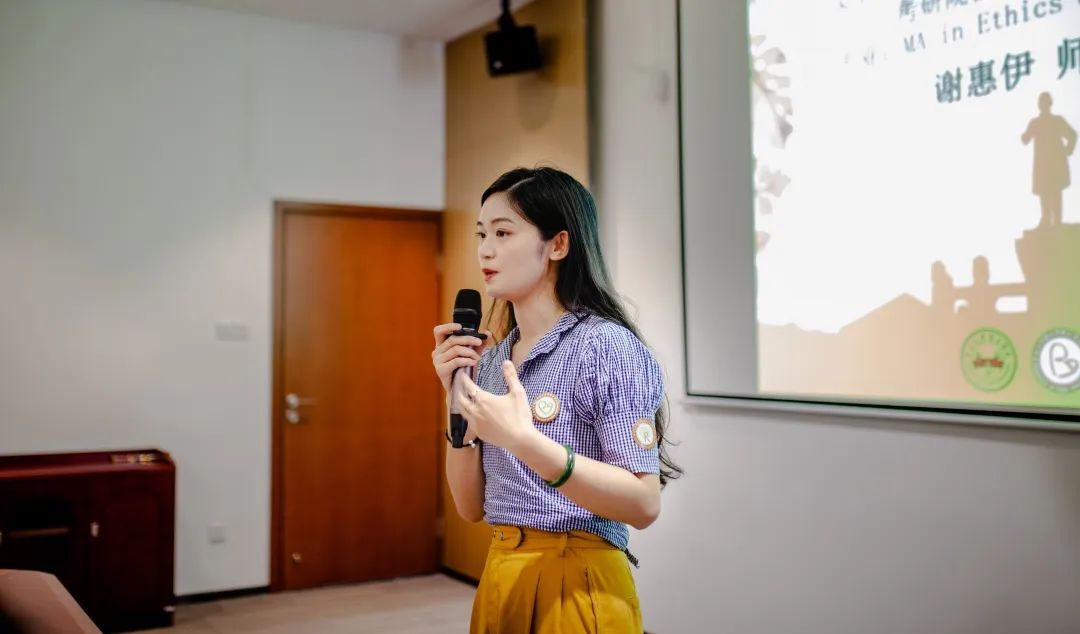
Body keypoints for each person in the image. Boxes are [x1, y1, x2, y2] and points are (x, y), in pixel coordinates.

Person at [431, 166, 681, 633]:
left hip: (579, 577)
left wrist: (525, 442)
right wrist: (456, 398)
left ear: (558, 245)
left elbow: (643, 503)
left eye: (504, 233)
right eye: (482, 234)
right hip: (501, 569)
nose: (485, 249)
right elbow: (469, 507)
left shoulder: (604, 346)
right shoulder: (491, 360)